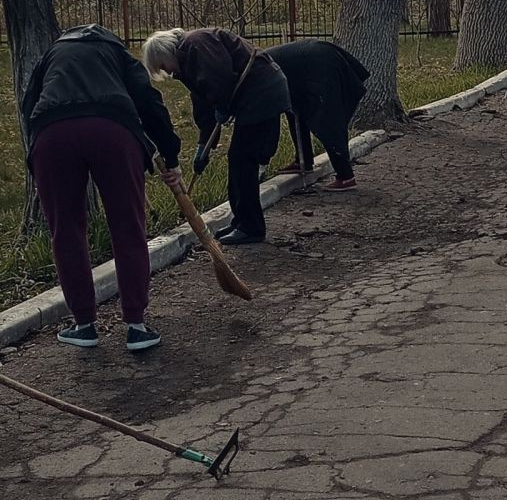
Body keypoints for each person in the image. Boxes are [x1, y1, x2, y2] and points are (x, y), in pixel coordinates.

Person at [22, 24, 183, 351]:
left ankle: (84, 325)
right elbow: (150, 102)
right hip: (112, 131)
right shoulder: (117, 53)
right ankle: (136, 326)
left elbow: (29, 105)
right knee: (127, 225)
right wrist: (170, 154)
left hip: (53, 135)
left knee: (65, 228)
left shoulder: (53, 54)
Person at [141, 27, 291, 245]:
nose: (169, 73)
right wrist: (204, 145)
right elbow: (203, 102)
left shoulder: (196, 44)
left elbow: (219, 77)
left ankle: (251, 227)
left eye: (164, 66)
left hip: (262, 93)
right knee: (239, 160)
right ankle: (241, 221)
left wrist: (222, 104)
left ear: (165, 52)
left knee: (242, 160)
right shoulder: (188, 59)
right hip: (256, 96)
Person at [266, 40, 370, 191]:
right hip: (308, 67)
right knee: (295, 111)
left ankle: (345, 176)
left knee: (327, 120)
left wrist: (263, 158)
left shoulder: (257, 75)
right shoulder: (256, 67)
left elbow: (269, 119)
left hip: (319, 66)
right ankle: (304, 160)